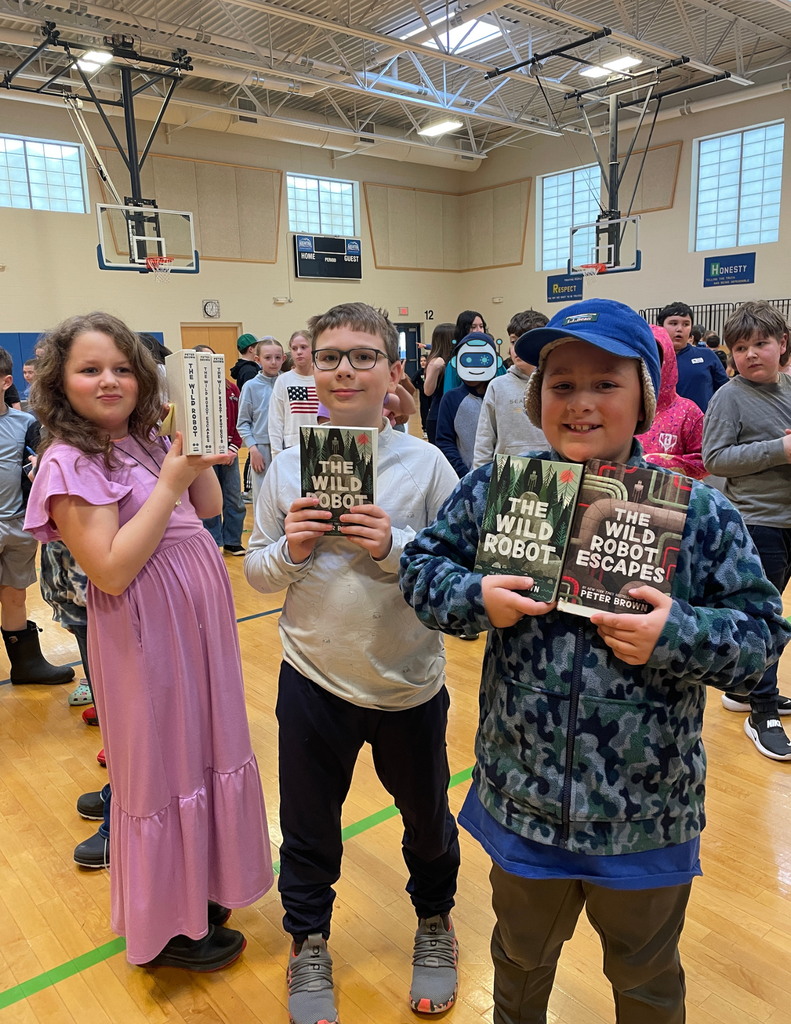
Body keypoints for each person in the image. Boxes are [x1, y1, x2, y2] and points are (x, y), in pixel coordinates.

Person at [400, 297, 791, 1024]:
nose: (580, 403)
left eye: (605, 383)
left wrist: (673, 634)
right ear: (534, 396)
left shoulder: (697, 512)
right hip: (523, 803)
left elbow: (761, 639)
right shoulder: (497, 492)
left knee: (645, 983)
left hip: (646, 813)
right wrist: (474, 594)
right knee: (517, 965)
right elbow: (421, 571)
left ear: (643, 396)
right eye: (560, 383)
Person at [25, 312, 273, 970]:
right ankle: (168, 929)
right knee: (162, 765)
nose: (108, 380)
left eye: (122, 367)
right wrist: (168, 480)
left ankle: (202, 890)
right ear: (61, 382)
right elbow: (108, 567)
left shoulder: (139, 440)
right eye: (89, 369)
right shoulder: (67, 459)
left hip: (198, 624)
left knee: (205, 748)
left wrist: (187, 445)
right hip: (144, 631)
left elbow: (210, 508)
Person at [244, 302, 462, 1024]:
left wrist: (392, 546)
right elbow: (257, 573)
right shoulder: (283, 468)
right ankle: (308, 941)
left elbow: (455, 574)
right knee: (307, 825)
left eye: (363, 356)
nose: (345, 368)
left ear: (392, 373)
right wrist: (293, 550)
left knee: (426, 821)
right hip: (311, 677)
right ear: (312, 370)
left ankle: (434, 923)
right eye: (331, 356)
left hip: (406, 681)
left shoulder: (427, 465)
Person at [702, 300, 791, 760]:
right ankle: (762, 710)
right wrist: (779, 449)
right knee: (766, 619)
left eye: (761, 343)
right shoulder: (729, 397)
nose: (752, 353)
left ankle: (743, 689)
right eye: (740, 347)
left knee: (775, 611)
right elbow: (715, 459)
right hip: (757, 522)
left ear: (782, 346)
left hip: (788, 522)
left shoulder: (789, 388)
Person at [0, 346, 75, 686]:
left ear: (6, 382)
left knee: (15, 594)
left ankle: (26, 665)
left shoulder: (24, 423)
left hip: (16, 525)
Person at [472, 310, 549, 469]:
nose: (517, 348)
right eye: (514, 342)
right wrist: (479, 477)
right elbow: (484, 441)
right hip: (505, 474)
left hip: (550, 471)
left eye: (525, 341)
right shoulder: (497, 386)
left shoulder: (555, 386)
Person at [193, 344, 247, 556]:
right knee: (209, 500)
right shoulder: (193, 391)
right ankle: (213, 542)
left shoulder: (232, 389)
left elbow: (240, 421)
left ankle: (233, 540)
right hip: (205, 455)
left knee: (234, 497)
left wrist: (233, 447)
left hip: (229, 453)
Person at [637, 325, 707, 479]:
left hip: (671, 498)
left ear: (667, 360)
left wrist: (657, 463)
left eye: (655, 358)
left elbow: (706, 460)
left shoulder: (688, 412)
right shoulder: (621, 409)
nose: (647, 367)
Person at [436, 332, 501, 477]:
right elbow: (445, 442)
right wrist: (465, 475)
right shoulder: (451, 399)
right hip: (466, 479)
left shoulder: (501, 396)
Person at [237, 338, 283, 508]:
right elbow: (243, 423)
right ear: (257, 359)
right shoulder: (250, 387)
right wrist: (253, 449)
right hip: (262, 450)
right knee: (263, 501)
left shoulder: (286, 383)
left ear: (283, 359)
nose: (273, 362)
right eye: (268, 358)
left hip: (286, 448)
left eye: (278, 358)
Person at [657, 301, 727, 412]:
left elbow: (725, 391)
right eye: (673, 323)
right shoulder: (652, 359)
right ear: (661, 328)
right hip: (662, 426)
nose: (680, 329)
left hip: (704, 424)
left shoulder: (707, 355)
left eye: (686, 324)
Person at [268, 330, 319, 457]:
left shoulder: (322, 377)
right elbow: (276, 418)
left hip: (320, 443)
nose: (299, 352)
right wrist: (276, 452)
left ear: (314, 349)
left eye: (303, 347)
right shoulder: (283, 380)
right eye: (294, 348)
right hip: (292, 446)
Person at [424, 322, 455, 445]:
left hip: (452, 415)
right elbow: (427, 391)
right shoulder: (437, 362)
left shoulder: (454, 360)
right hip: (438, 416)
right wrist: (436, 368)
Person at [443, 310, 488, 393]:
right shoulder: (455, 363)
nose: (479, 331)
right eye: (473, 327)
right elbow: (449, 396)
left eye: (481, 326)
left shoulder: (493, 359)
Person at [412, 354, 431, 435]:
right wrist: (419, 387)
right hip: (423, 396)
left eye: (424, 361)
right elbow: (412, 381)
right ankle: (425, 430)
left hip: (432, 395)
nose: (423, 363)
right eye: (421, 361)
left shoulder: (431, 371)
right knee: (424, 412)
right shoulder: (419, 373)